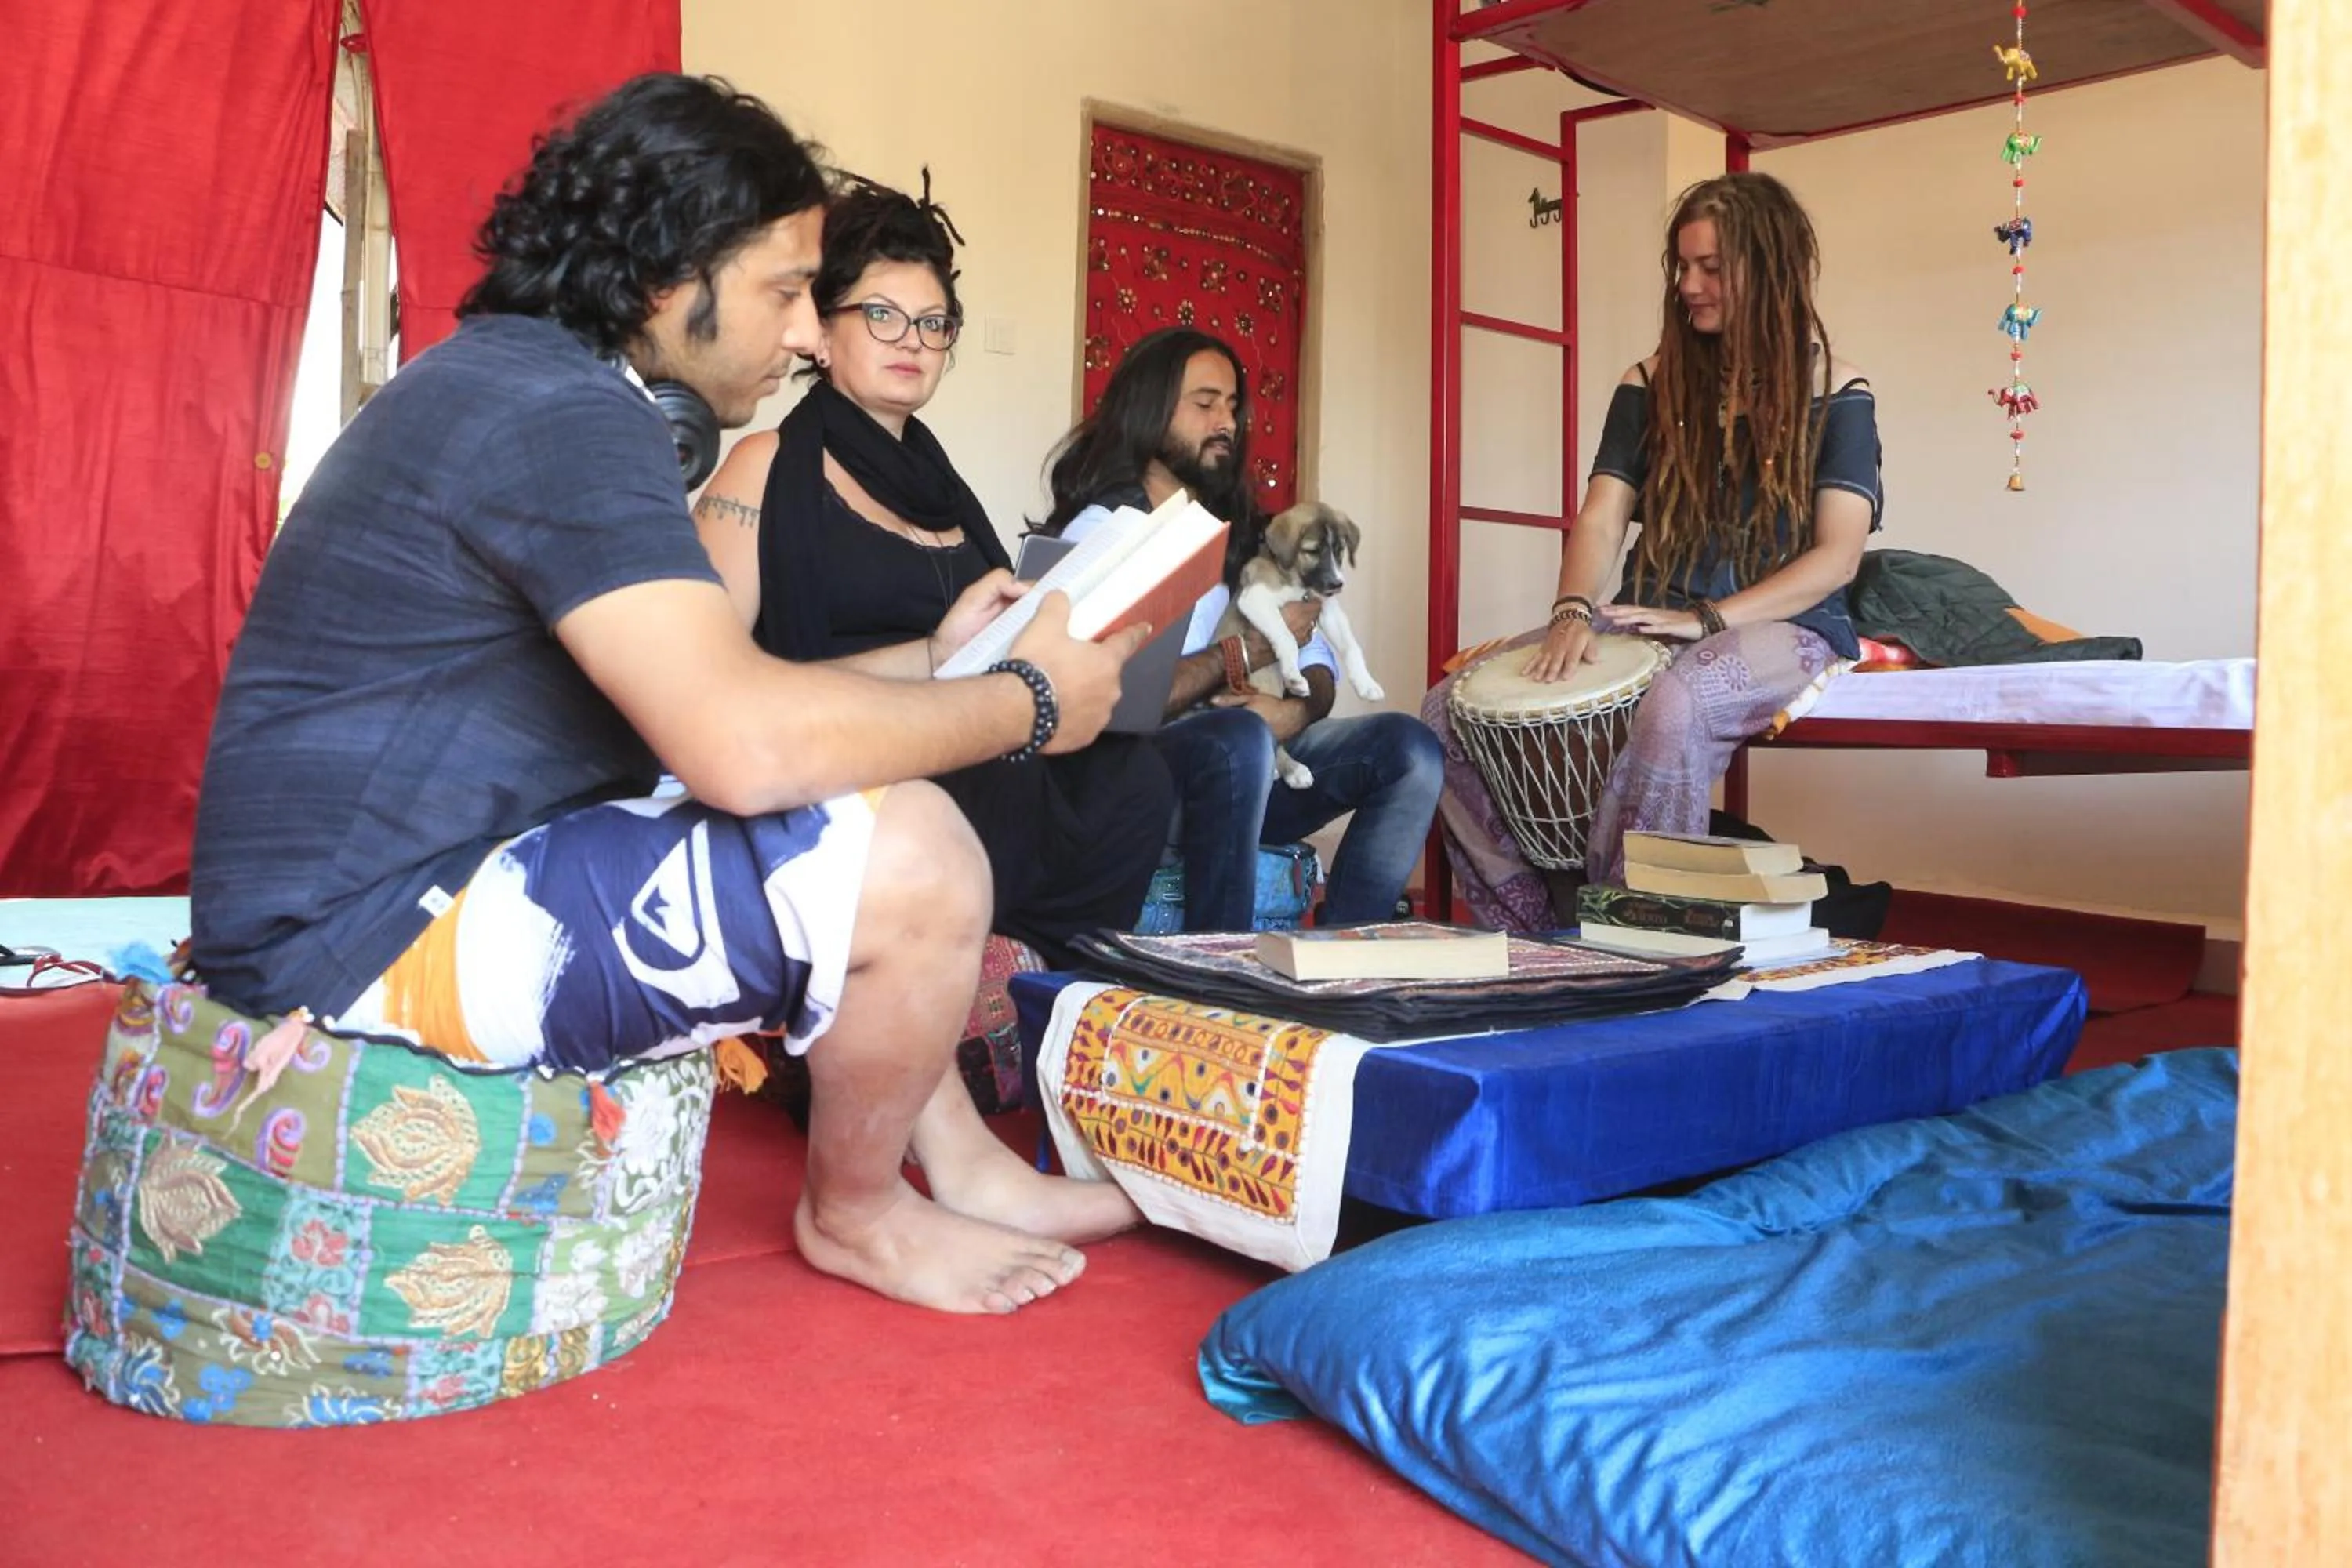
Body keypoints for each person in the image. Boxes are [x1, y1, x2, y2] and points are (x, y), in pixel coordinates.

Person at [188, 74, 1145, 1316]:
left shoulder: (530, 385)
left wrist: (937, 657)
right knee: (911, 855)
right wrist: (1024, 701)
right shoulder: (558, 416)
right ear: (664, 278)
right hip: (352, 942)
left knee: (865, 798)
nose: (807, 334)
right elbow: (742, 747)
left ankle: (960, 1161)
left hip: (396, 882)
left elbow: (718, 691)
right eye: (788, 290)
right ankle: (855, 1214)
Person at [692, 175, 1172, 969]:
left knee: (1137, 776)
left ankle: (1048, 976)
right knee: (975, 780)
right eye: (881, 315)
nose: (911, 341)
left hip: (970, 738)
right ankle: (1003, 972)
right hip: (856, 750)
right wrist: (931, 662)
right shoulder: (762, 469)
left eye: (932, 322)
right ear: (820, 330)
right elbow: (710, 692)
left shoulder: (947, 487)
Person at [1422, 171, 1882, 927]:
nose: (1690, 286)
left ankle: (1643, 931)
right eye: (1683, 268)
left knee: (1675, 702)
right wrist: (1572, 611)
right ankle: (1537, 930)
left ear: (1766, 273)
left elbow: (1836, 558)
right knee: (1446, 712)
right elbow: (1603, 519)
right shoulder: (1650, 382)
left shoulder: (1838, 391)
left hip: (1786, 629)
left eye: (1711, 269)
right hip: (1652, 617)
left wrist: (1709, 619)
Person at [1038, 328, 1443, 932]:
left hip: (1258, 763)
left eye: (1232, 406)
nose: (1226, 421)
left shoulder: (1246, 532)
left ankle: (1344, 955)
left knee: (1410, 750)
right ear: (1150, 411)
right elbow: (1108, 700)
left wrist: (1295, 713)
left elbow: (1320, 664)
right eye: (1205, 405)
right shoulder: (1105, 532)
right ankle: (1221, 965)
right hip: (1148, 785)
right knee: (1236, 740)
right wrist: (1239, 666)